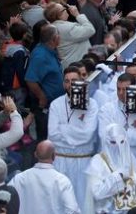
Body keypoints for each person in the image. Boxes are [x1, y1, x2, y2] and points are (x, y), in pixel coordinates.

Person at [47, 66, 98, 208]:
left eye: (74, 80)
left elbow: (88, 135)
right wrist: (76, 133)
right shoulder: (56, 104)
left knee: (83, 203)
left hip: (83, 162)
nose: (70, 84)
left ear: (82, 81)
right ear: (64, 84)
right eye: (67, 81)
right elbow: (52, 134)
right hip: (61, 161)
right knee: (59, 204)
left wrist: (63, 129)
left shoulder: (92, 105)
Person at [86, 123, 136, 214]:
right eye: (113, 142)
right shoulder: (97, 161)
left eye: (122, 142)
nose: (118, 147)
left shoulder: (131, 158)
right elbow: (97, 193)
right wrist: (118, 176)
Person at [10, 141, 80, 214]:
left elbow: (5, 200)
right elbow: (73, 210)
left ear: (35, 154)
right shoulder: (62, 181)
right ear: (54, 156)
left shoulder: (19, 178)